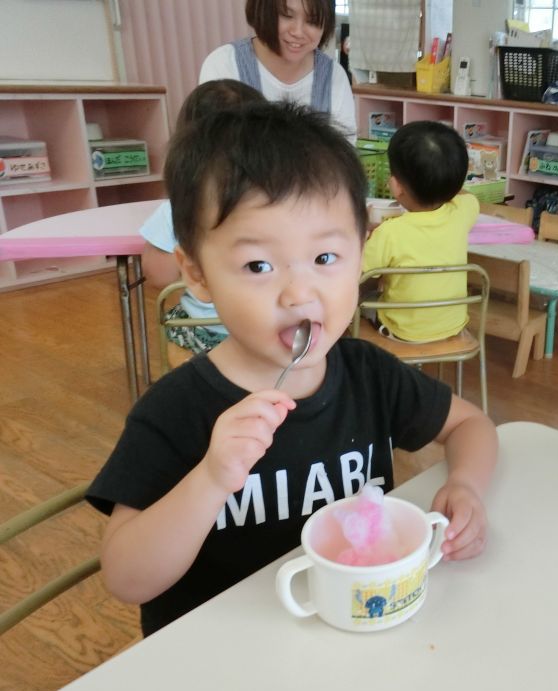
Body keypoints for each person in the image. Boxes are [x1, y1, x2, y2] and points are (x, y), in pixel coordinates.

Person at [87, 102, 497, 636]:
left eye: (326, 258)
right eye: (258, 265)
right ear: (198, 274)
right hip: (227, 658)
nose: (300, 293)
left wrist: (465, 485)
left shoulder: (369, 374)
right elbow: (126, 577)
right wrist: (211, 479)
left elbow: (472, 425)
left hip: (346, 635)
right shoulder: (175, 410)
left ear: (362, 249)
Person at [140, 79, 266, 355]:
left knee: (173, 320)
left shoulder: (181, 204)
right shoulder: (279, 202)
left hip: (206, 330)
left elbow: (159, 276)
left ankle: (203, 391)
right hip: (270, 326)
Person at [362, 120, 479, 342]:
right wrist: (446, 182)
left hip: (402, 332)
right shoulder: (461, 212)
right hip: (452, 324)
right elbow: (468, 197)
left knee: (362, 300)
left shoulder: (389, 232)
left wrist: (362, 231)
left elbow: (356, 271)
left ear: (396, 186)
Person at [199, 0, 356, 142]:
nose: (298, 32)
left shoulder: (334, 76)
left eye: (312, 21)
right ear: (262, 11)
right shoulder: (224, 65)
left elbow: (343, 155)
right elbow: (214, 152)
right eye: (287, 15)